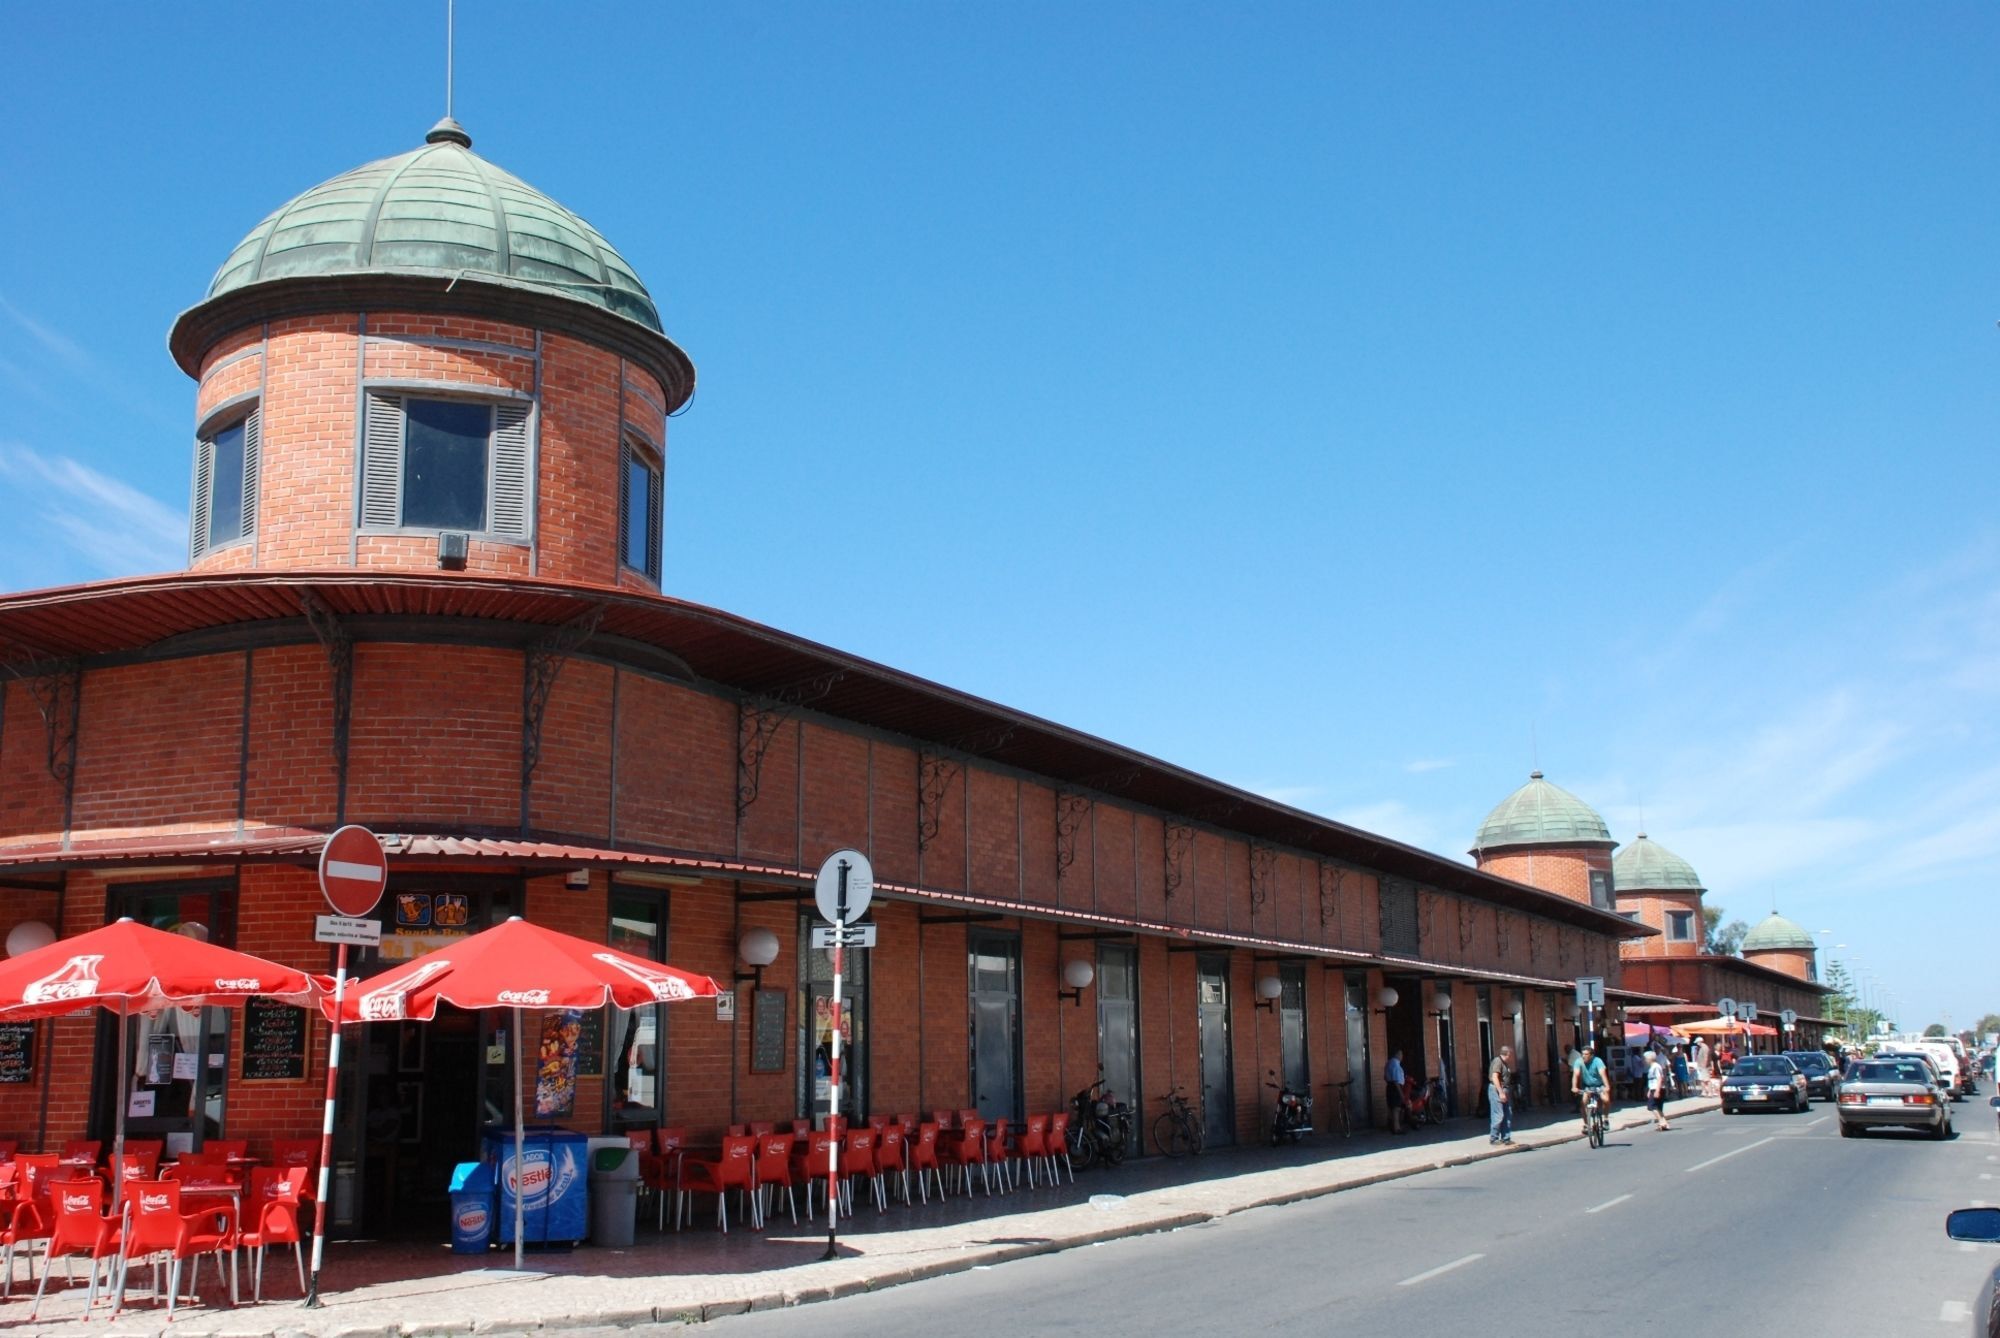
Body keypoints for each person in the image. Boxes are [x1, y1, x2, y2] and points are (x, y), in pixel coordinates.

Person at [1573, 1041, 1610, 1130]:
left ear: (1591, 1055)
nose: (1583, 1056)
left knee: (1606, 1100)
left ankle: (1605, 1119)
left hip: (1599, 1085)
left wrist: (1607, 1086)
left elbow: (1602, 1074)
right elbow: (1576, 1074)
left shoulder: (1597, 1061)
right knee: (1583, 1103)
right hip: (1587, 1086)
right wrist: (1574, 1087)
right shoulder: (1579, 1061)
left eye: (1586, 1054)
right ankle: (1586, 1125)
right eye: (1582, 1054)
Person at [1489, 1045, 1515, 1144]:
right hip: (1497, 1090)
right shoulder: (1498, 1061)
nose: (1512, 1057)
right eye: (1510, 1054)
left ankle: (1506, 1138)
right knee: (1498, 1114)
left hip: (1505, 1089)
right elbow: (1495, 1077)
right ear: (1507, 1054)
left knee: (1508, 1113)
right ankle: (1494, 1138)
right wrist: (1500, 1092)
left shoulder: (1505, 1063)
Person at [1644, 1049, 1672, 1131]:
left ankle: (1661, 1121)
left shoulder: (1656, 1066)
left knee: (1651, 1106)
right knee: (1658, 1108)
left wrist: (1657, 1090)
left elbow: (1660, 1078)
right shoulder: (1652, 1067)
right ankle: (1665, 1123)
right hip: (1653, 1088)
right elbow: (1651, 1080)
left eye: (1645, 1058)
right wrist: (1649, 1090)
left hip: (1657, 1088)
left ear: (1649, 1058)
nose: (1645, 1060)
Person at [1385, 1048, 1407, 1134]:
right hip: (1395, 1087)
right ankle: (1396, 1128)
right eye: (1401, 1054)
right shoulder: (1395, 1064)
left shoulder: (1388, 1063)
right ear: (1397, 1054)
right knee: (1396, 1108)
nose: (1402, 1056)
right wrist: (1401, 1093)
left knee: (1392, 1108)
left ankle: (1392, 1126)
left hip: (1390, 1086)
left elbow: (1385, 1077)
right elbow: (1396, 1080)